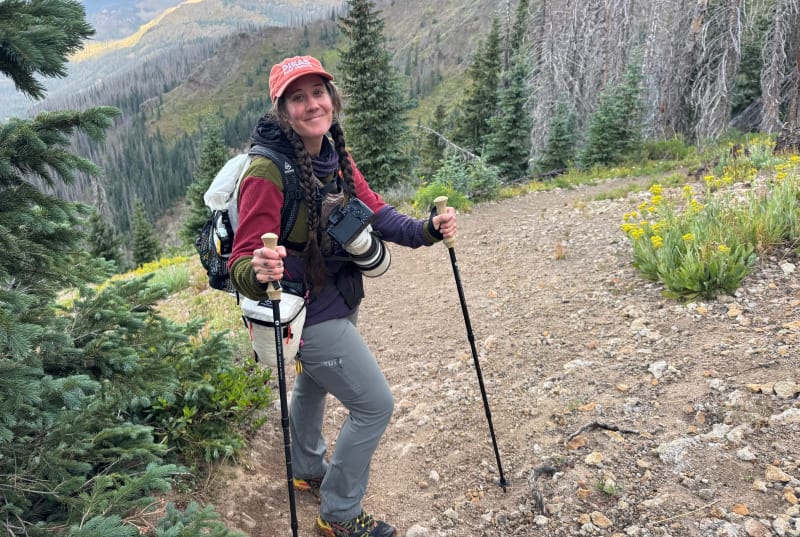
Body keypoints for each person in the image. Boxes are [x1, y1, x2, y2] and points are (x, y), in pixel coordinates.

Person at [228, 55, 457, 537]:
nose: (312, 104)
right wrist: (259, 269)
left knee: (312, 384)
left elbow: (375, 212)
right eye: (298, 97)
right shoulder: (268, 171)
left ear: (332, 98)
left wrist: (427, 230)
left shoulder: (334, 153)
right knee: (375, 405)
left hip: (338, 296)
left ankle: (306, 467)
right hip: (306, 313)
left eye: (319, 92)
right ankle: (340, 514)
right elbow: (242, 260)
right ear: (282, 110)